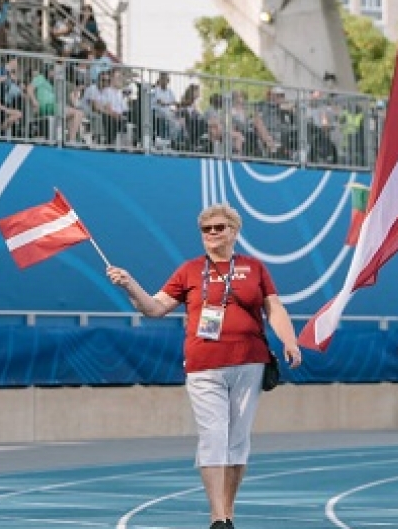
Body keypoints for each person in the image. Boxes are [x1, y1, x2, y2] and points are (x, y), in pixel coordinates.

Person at [105, 204, 302, 529]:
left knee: (238, 440)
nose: (212, 233)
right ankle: (216, 518)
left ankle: (228, 513)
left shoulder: (255, 269)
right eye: (206, 229)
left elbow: (274, 308)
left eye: (219, 227)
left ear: (234, 231)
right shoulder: (189, 270)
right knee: (213, 437)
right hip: (203, 366)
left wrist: (289, 340)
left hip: (249, 362)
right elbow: (154, 309)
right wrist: (129, 284)